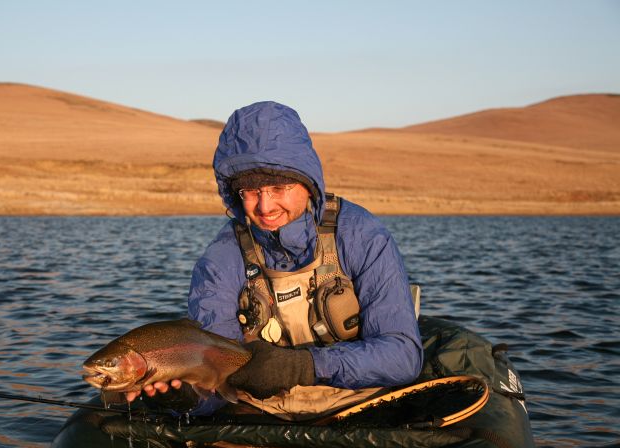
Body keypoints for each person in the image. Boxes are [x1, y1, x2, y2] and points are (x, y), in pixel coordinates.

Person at [126, 101, 422, 415]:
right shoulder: (220, 259)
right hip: (261, 412)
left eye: (279, 187)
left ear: (308, 185)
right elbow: (215, 377)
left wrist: (304, 366)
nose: (265, 207)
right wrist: (180, 397)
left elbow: (403, 356)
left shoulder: (362, 235)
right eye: (250, 192)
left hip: (358, 404)